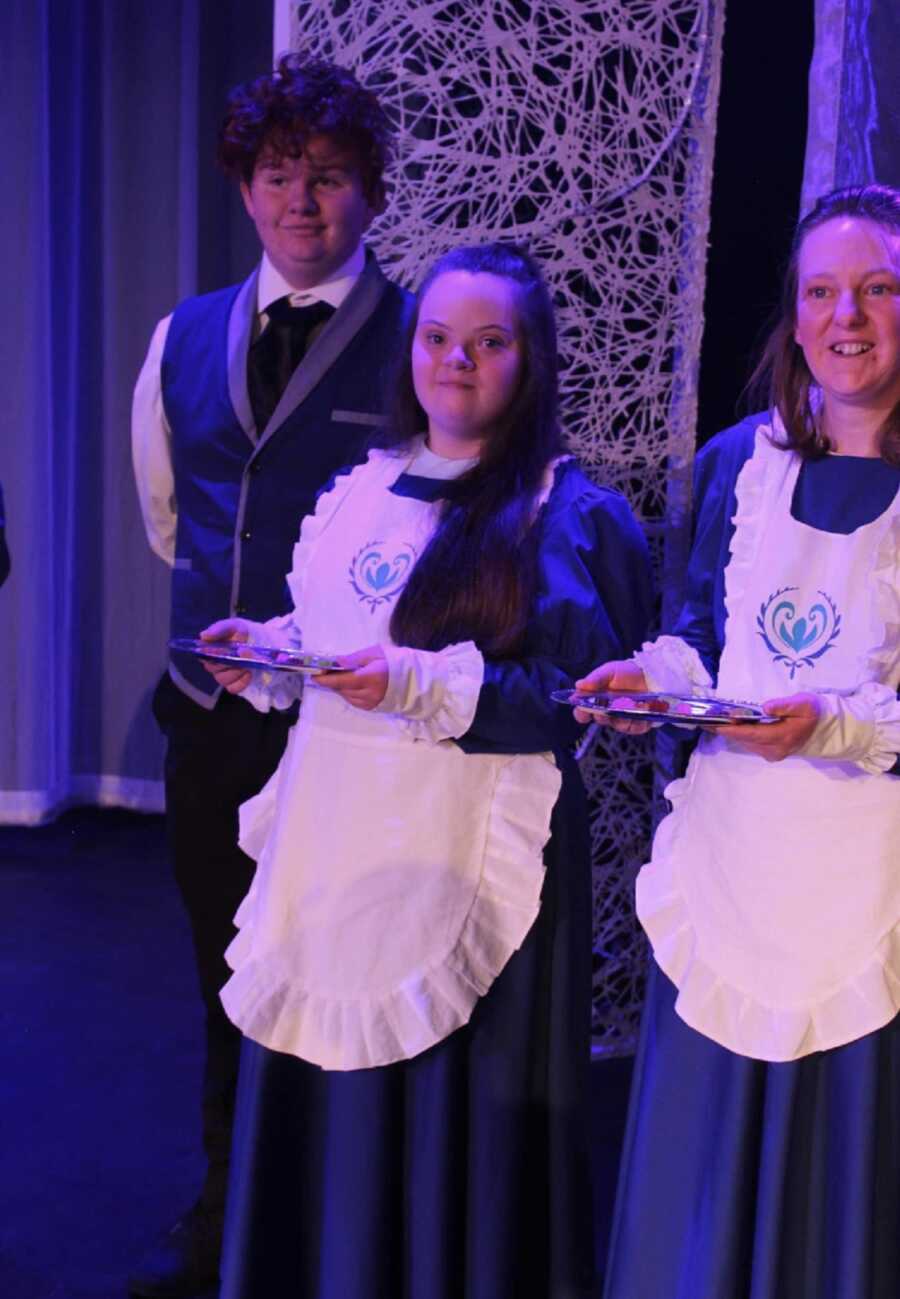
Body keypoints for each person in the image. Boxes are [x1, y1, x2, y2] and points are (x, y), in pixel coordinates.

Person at [199, 243, 653, 1299]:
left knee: (453, 1146)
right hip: (337, 853)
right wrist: (268, 654)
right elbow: (333, 639)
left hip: (474, 861)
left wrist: (415, 685)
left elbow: (580, 702)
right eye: (438, 338)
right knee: (328, 1127)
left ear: (531, 362)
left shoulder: (569, 515)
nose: (456, 362)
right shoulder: (358, 491)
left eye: (489, 343)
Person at [577, 185, 900, 1299]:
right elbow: (705, 644)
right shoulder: (735, 467)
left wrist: (839, 724)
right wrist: (651, 680)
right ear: (793, 313)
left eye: (877, 288)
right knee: (703, 1180)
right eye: (821, 290)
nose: (845, 314)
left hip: (871, 886)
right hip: (737, 859)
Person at [130, 52, 411, 1298]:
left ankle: (339, 1234)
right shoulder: (182, 334)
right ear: (246, 186)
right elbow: (168, 514)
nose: (306, 202)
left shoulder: (421, 336)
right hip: (211, 722)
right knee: (226, 978)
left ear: (370, 195)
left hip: (345, 739)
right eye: (282, 174)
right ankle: (226, 1220)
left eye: (334, 178)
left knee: (342, 983)